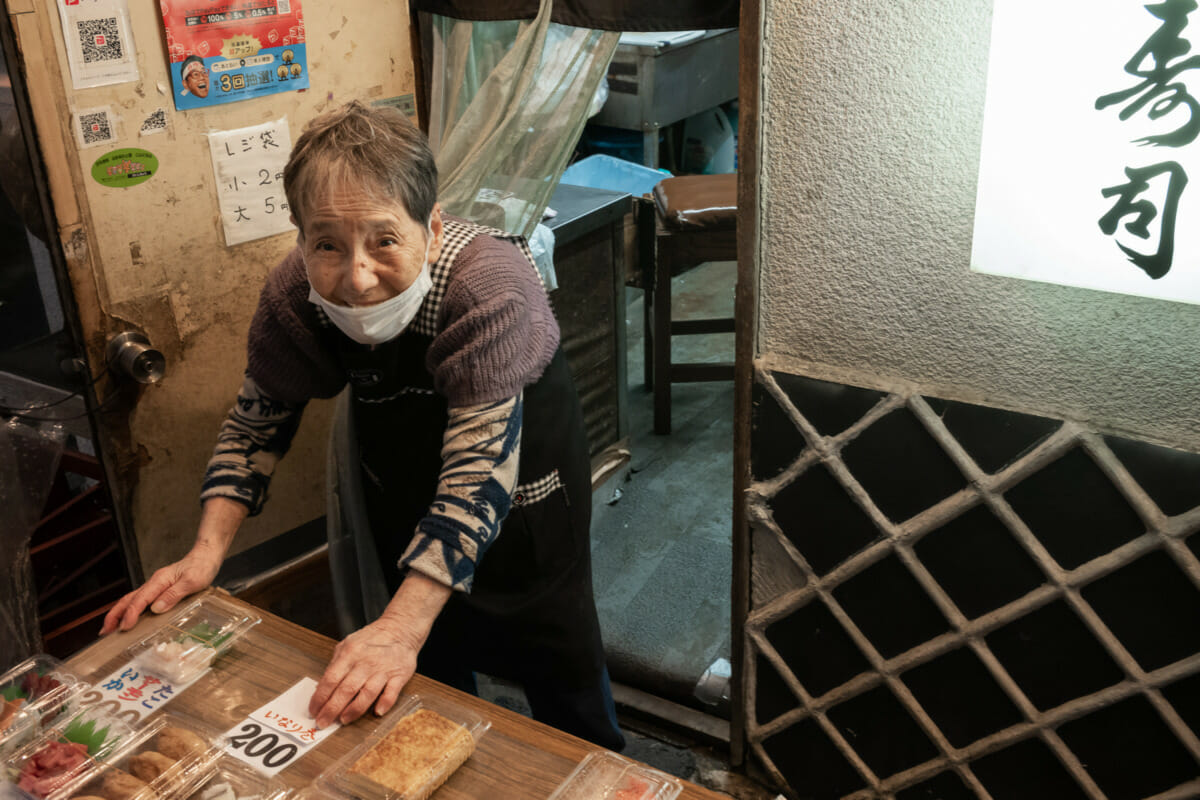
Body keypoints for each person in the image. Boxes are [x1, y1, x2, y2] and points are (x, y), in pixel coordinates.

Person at [100, 100, 624, 751]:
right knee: (420, 683)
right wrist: (205, 554)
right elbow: (256, 426)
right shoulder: (296, 294)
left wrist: (399, 629)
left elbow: (477, 476)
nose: (356, 277)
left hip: (519, 497)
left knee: (561, 669)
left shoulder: (489, 289)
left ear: (430, 228)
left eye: (384, 240)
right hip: (404, 484)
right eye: (326, 243)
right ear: (300, 236)